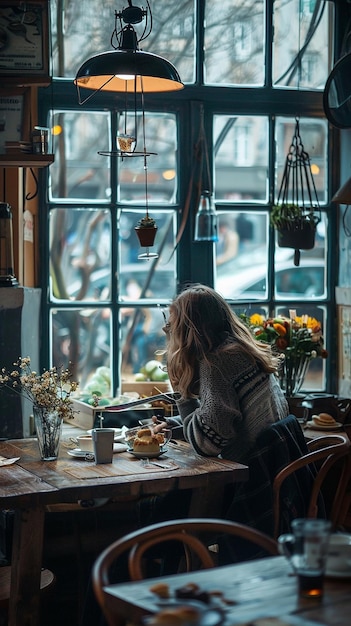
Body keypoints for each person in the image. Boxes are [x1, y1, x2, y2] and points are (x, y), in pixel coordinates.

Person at [154, 284, 289, 462]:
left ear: (188, 329)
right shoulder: (239, 351)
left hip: (251, 479)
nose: (167, 331)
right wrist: (178, 426)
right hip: (275, 466)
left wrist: (182, 392)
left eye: (172, 326)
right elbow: (223, 423)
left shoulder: (217, 362)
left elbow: (207, 446)